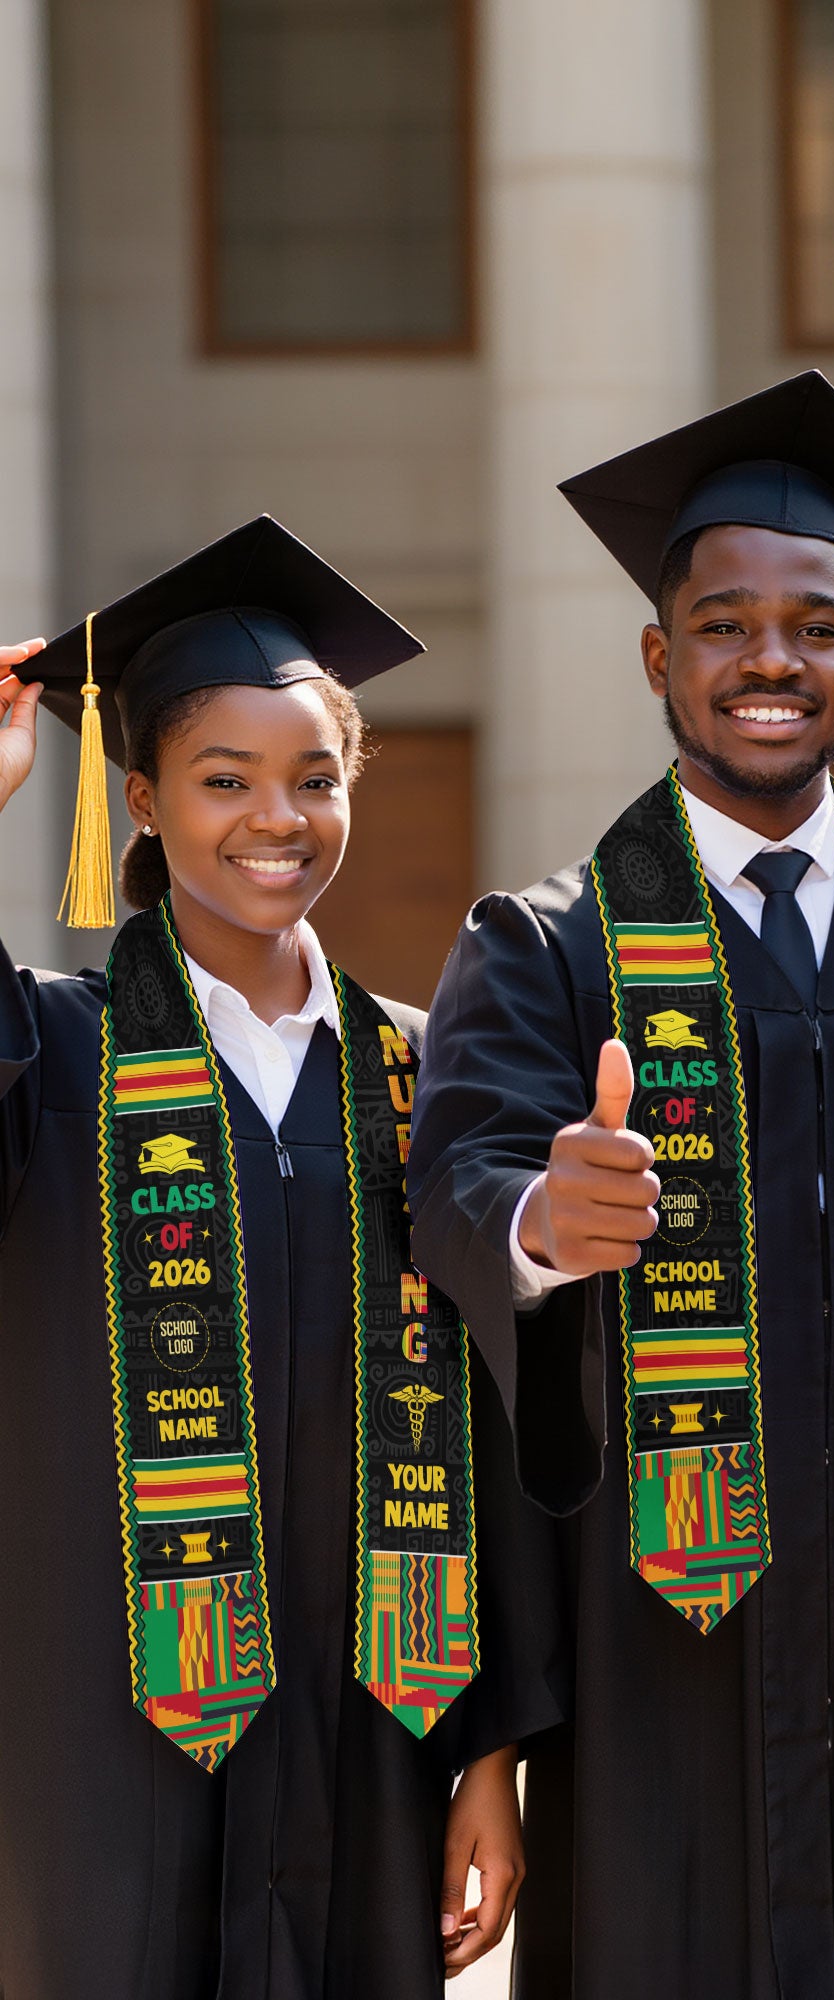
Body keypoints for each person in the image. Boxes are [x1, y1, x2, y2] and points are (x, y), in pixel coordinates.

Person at [406, 371, 834, 1997]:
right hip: (655, 1661)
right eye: (722, 624)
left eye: (815, 624)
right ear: (660, 656)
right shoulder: (547, 947)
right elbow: (454, 1193)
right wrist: (542, 1226)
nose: (770, 660)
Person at [0, 516, 565, 1999]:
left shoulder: (426, 1081)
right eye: (224, 781)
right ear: (139, 798)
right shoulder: (56, 1053)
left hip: (370, 1725)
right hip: (96, 1741)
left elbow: (499, 1429)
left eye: (316, 780)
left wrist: (493, 1760)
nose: (278, 818)